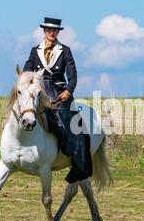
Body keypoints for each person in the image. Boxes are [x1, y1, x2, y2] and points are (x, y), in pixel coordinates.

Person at [23, 17, 92, 183]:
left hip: (60, 92)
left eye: (54, 30)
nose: (51, 33)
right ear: (44, 32)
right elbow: (27, 71)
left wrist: (68, 91)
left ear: (58, 32)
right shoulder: (35, 51)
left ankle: (78, 162)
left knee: (73, 122)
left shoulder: (65, 51)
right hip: (41, 91)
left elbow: (73, 76)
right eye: (48, 30)